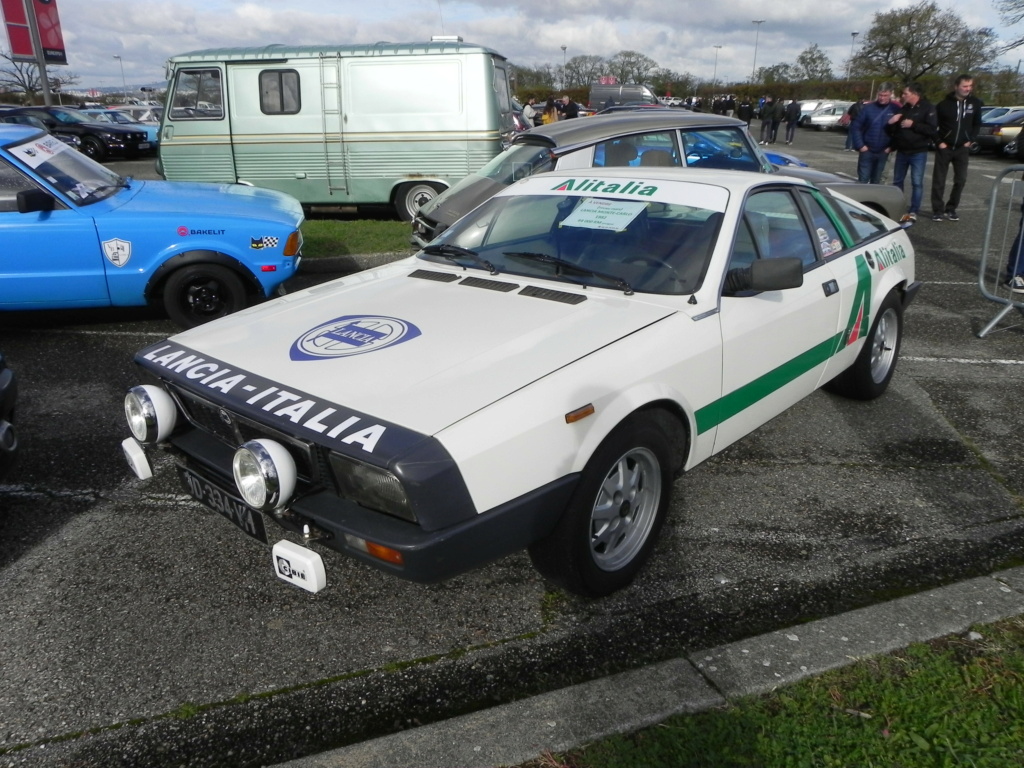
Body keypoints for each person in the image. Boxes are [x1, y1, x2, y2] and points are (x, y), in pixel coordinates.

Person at [930, 74, 983, 222]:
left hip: (962, 148)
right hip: (945, 147)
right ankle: (938, 210)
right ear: (956, 87)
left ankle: (951, 208)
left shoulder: (975, 103)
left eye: (970, 86)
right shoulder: (943, 105)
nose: (968, 89)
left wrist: (971, 140)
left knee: (961, 179)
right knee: (939, 180)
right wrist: (938, 141)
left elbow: (977, 124)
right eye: (965, 86)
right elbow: (933, 126)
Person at [886, 82, 938, 225]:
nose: (903, 96)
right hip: (902, 151)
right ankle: (899, 207)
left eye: (905, 94)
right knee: (897, 181)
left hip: (918, 151)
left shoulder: (928, 108)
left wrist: (913, 125)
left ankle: (914, 209)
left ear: (915, 94)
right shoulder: (905, 108)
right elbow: (896, 131)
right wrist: (892, 122)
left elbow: (932, 130)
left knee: (916, 182)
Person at [850, 83, 901, 184]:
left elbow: (899, 131)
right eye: (880, 95)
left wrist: (891, 147)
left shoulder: (895, 109)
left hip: (883, 151)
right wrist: (860, 145)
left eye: (885, 95)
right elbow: (856, 127)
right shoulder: (868, 108)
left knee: (877, 180)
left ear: (890, 94)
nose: (882, 98)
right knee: (863, 179)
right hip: (867, 149)